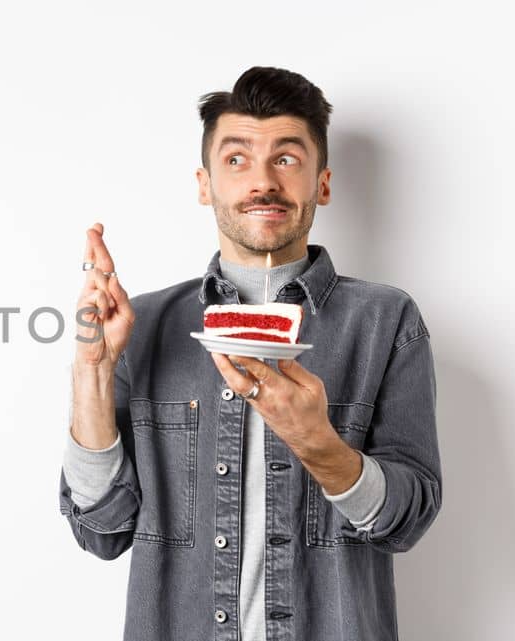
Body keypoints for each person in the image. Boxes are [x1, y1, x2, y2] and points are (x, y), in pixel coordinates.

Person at [60, 66, 442, 641]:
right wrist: (92, 373)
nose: (262, 181)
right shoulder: (145, 325)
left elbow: (407, 520)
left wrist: (320, 445)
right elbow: (102, 531)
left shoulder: (385, 321)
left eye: (286, 159)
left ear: (324, 183)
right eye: (236, 160)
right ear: (204, 184)